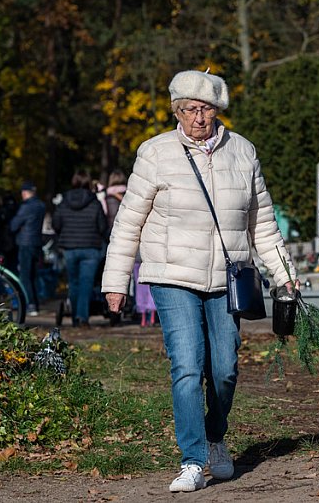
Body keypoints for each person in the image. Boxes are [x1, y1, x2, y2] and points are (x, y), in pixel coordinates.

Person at [101, 69, 298, 493]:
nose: (198, 117)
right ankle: (192, 459)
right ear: (177, 111)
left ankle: (214, 438)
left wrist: (286, 276)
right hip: (171, 275)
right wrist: (115, 281)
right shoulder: (155, 154)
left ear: (217, 110)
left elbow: (262, 223)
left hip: (227, 280)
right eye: (189, 109)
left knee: (224, 369)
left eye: (205, 108)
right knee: (188, 365)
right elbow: (128, 222)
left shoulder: (242, 152)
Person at [52, 170, 108, 327]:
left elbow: (56, 224)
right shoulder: (94, 202)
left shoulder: (64, 202)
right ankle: (82, 317)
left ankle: (75, 318)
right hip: (91, 247)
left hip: (69, 247)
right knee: (86, 284)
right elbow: (102, 226)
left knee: (73, 282)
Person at [10, 181, 45, 316]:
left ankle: (29, 304)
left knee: (25, 275)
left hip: (25, 242)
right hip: (37, 242)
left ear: (24, 193)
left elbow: (14, 225)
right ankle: (35, 303)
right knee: (34, 275)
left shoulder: (26, 207)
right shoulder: (41, 206)